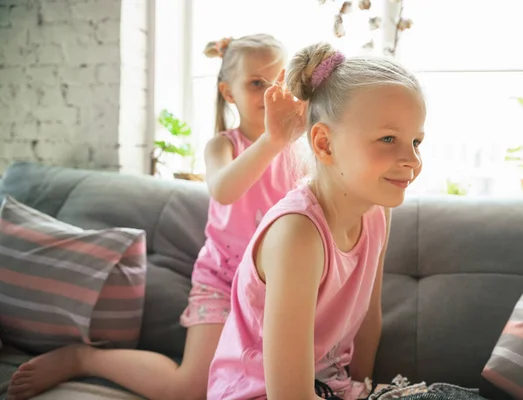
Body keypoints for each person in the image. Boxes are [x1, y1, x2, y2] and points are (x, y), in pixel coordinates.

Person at [7, 33, 307, 400]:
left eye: (277, 83)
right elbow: (225, 189)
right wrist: (271, 141)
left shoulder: (299, 151)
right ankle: (83, 358)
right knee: (187, 389)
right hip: (223, 282)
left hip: (277, 287)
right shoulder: (223, 145)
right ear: (229, 93)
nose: (268, 94)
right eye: (256, 83)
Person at [207, 41, 426, 400]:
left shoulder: (377, 211)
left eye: (416, 141)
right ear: (324, 144)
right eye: (388, 138)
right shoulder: (298, 234)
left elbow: (369, 317)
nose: (412, 160)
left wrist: (366, 389)